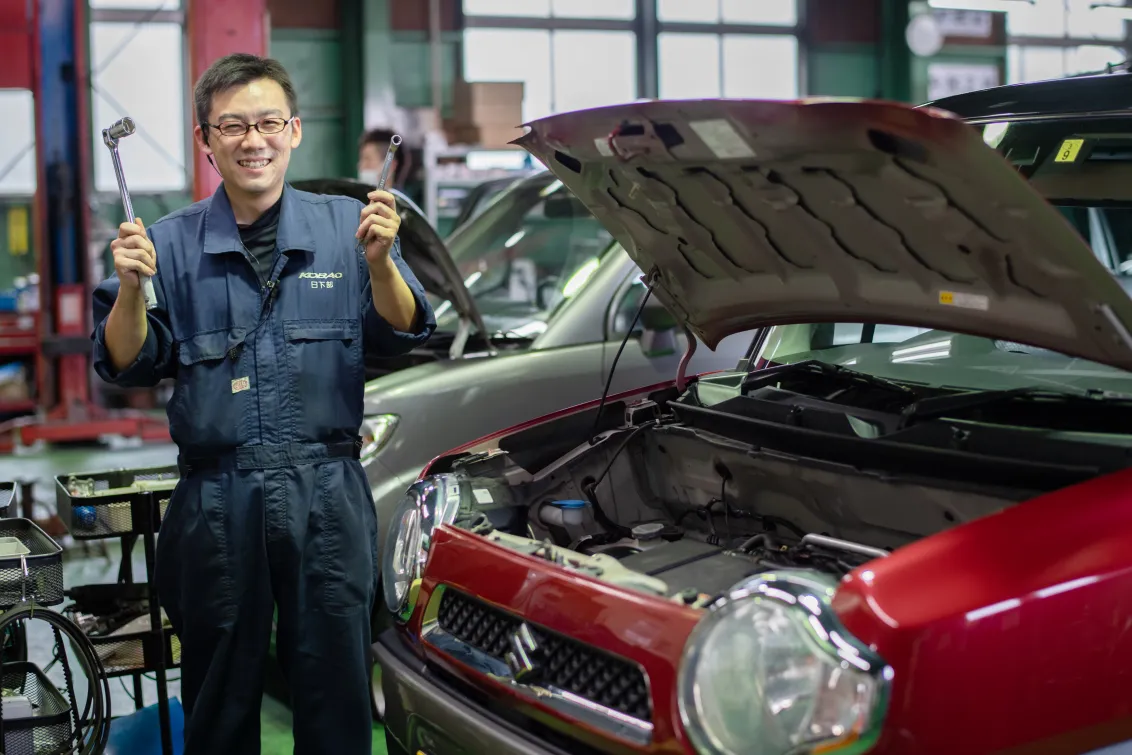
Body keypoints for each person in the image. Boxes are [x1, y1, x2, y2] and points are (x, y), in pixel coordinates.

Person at [89, 53, 436, 755]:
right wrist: (129, 291)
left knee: (336, 694)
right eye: (234, 126)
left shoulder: (351, 228)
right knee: (219, 697)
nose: (254, 140)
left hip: (326, 493)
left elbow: (405, 328)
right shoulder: (167, 245)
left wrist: (380, 265)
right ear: (205, 139)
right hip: (218, 500)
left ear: (294, 130)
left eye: (269, 122)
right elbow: (126, 362)